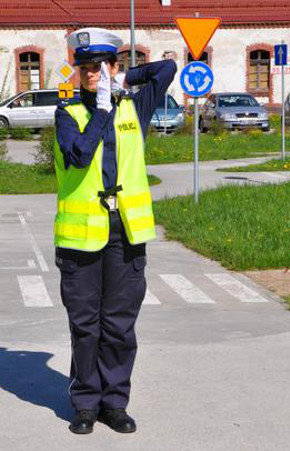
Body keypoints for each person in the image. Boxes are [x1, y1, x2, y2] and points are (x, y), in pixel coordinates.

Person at [54, 27, 176, 434]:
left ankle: (114, 403)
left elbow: (167, 68)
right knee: (86, 326)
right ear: (77, 71)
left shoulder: (133, 108)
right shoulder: (66, 114)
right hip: (80, 236)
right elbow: (79, 154)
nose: (93, 74)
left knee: (119, 326)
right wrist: (102, 109)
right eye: (86, 67)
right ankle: (86, 404)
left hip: (125, 231)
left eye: (102, 66)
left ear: (113, 66)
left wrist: (128, 79)